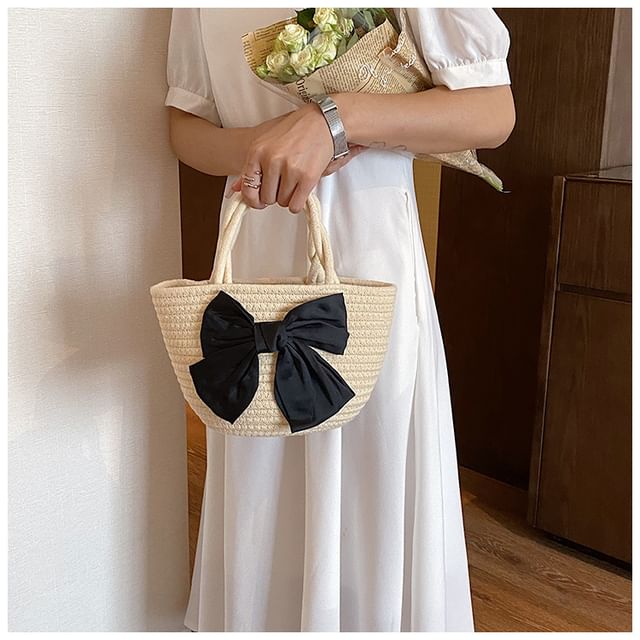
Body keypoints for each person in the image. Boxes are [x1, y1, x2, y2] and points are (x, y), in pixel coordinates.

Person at [164, 7, 515, 632]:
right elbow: (185, 123)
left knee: (369, 473)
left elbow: (491, 110)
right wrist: (269, 145)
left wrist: (334, 119)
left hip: (366, 260)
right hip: (255, 260)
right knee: (261, 474)